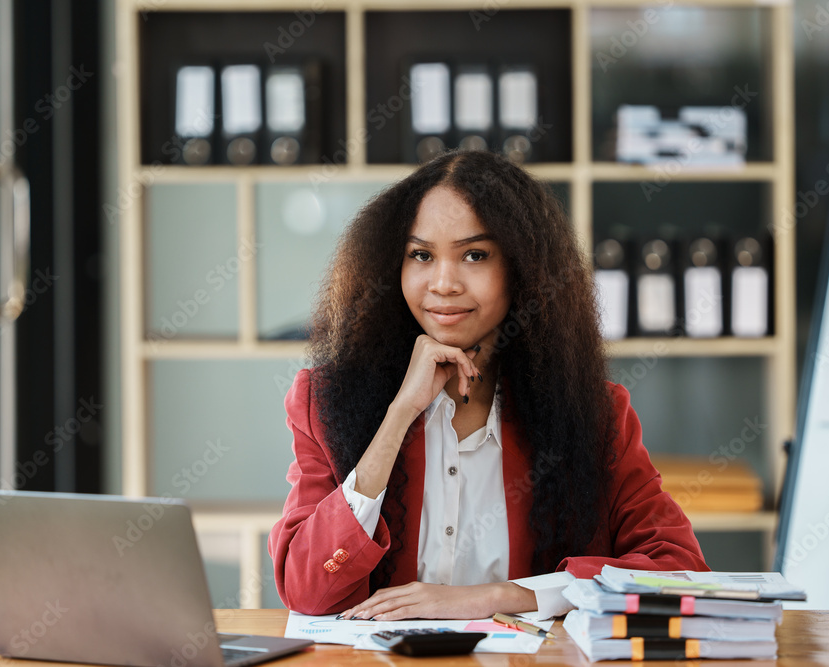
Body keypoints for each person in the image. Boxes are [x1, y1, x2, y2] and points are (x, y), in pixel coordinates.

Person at [268, 149, 707, 621]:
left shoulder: (594, 412)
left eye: (474, 255)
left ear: (521, 269)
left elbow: (679, 571)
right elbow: (307, 588)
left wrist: (505, 596)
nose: (443, 283)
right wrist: (397, 417)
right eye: (421, 255)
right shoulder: (325, 400)